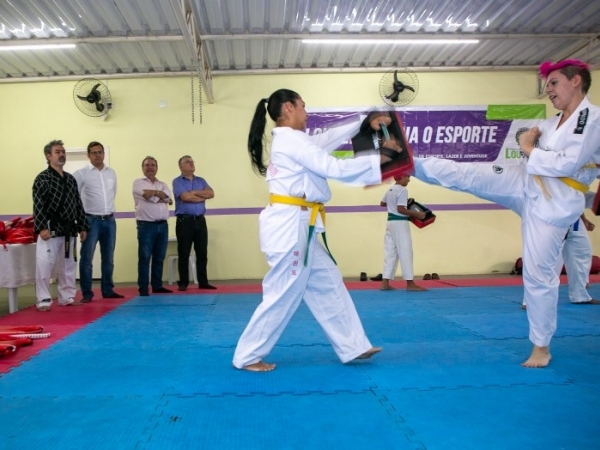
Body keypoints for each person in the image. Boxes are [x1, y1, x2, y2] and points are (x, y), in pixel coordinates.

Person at [412, 59, 600, 368]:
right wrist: (528, 145)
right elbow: (542, 148)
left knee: (538, 275)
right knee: (467, 174)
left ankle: (541, 347)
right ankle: (411, 161)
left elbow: (566, 164)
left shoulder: (590, 120)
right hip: (524, 180)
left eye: (554, 83)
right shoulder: (555, 122)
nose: (549, 90)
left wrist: (528, 147)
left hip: (553, 205)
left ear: (576, 81)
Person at [232, 88, 398, 371]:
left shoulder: (295, 140)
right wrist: (379, 158)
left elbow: (327, 138)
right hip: (290, 227)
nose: (307, 113)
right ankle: (247, 356)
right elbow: (332, 167)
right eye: (303, 106)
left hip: (301, 225)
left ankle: (354, 346)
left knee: (328, 283)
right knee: (283, 293)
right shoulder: (291, 142)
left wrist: (364, 118)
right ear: (288, 108)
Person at [33, 140, 89, 311]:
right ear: (48, 156)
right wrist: (41, 227)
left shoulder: (71, 179)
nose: (62, 154)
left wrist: (82, 226)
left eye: (63, 151)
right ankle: (43, 299)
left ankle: (66, 297)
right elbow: (38, 204)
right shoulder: (42, 178)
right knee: (45, 265)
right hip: (50, 228)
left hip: (69, 229)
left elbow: (78, 204)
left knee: (69, 265)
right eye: (57, 151)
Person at [73, 141, 123, 302]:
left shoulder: (111, 173)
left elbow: (112, 193)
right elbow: (74, 198)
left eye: (100, 152)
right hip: (90, 220)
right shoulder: (81, 174)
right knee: (87, 258)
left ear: (104, 153)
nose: (97, 155)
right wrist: (81, 223)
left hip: (109, 220)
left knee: (108, 258)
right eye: (94, 152)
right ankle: (87, 294)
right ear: (88, 155)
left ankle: (108, 290)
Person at [522, 212, 599, 309]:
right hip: (553, 216)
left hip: (574, 218)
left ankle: (579, 294)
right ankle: (532, 300)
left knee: (581, 252)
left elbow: (575, 197)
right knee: (549, 259)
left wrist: (583, 218)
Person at [172, 155, 216, 291]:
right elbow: (185, 197)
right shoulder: (177, 182)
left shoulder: (201, 180)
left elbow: (211, 193)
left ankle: (203, 281)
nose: (191, 163)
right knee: (184, 253)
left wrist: (194, 193)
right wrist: (201, 196)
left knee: (202, 252)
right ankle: (183, 283)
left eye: (192, 161)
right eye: (187, 162)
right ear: (181, 167)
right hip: (184, 221)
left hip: (200, 221)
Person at [378, 175, 427, 291]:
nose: (409, 180)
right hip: (399, 223)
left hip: (390, 223)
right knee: (405, 251)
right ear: (401, 177)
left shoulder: (390, 189)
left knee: (390, 252)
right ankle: (410, 284)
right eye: (408, 177)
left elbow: (382, 203)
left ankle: (385, 283)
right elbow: (401, 210)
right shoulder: (402, 190)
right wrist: (417, 214)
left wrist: (399, 202)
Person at [132, 156, 173, 297]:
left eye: (153, 165)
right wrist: (160, 196)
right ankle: (143, 288)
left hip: (162, 225)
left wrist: (157, 195)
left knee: (159, 258)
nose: (150, 167)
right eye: (147, 165)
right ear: (142, 167)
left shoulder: (163, 183)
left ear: (157, 168)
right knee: (144, 258)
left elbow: (169, 198)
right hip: (146, 226)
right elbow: (148, 196)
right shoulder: (138, 183)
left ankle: (157, 286)